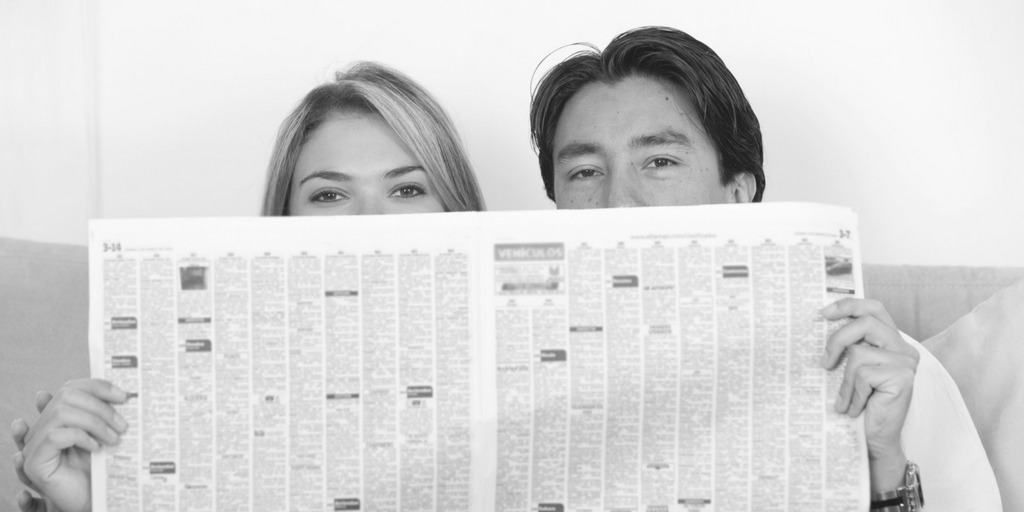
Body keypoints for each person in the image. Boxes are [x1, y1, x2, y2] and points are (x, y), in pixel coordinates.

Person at [530, 26, 1001, 510]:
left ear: (737, 192)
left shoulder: (885, 370)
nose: (618, 204)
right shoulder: (521, 378)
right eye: (584, 172)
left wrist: (883, 463)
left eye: (660, 161)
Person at [9, 61, 485, 512]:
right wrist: (90, 504)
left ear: (455, 208)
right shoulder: (185, 381)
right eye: (329, 195)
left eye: (406, 190)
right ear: (282, 222)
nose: (371, 223)